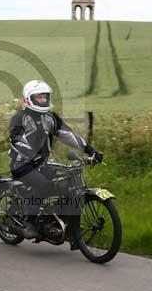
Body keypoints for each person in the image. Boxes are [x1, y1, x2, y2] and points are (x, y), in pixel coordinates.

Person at [8, 80, 103, 239]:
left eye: (45, 97)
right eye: (39, 98)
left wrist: (90, 150)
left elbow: (69, 136)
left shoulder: (51, 118)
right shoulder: (19, 118)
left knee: (67, 184)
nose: (43, 100)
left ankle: (56, 219)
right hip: (21, 165)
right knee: (43, 185)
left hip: (42, 164)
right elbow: (17, 141)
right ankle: (29, 222)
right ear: (28, 99)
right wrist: (33, 154)